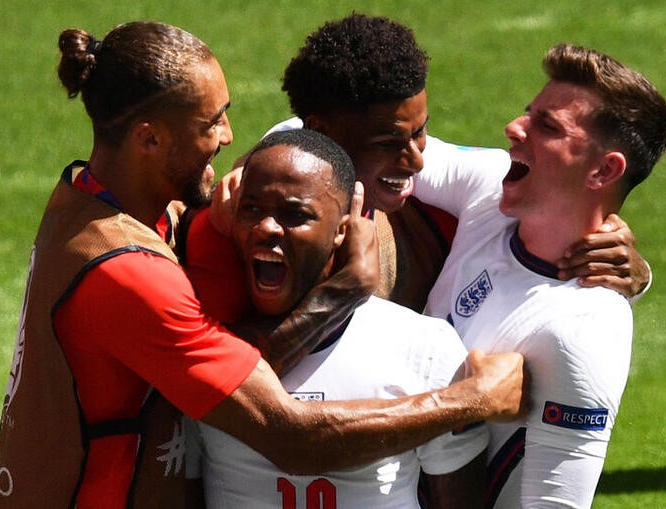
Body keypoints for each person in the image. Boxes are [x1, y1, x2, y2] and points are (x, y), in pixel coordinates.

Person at [0, 21, 526, 509]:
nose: (227, 138)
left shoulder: (89, 200)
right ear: (149, 138)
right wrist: (469, 398)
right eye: (212, 122)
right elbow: (288, 436)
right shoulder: (127, 272)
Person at [207, 13, 650, 317]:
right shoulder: (242, 225)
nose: (417, 159)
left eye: (420, 132)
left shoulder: (484, 185)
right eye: (390, 141)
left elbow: (566, 196)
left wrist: (634, 270)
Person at [419, 43, 666, 507]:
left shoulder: (581, 333)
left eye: (547, 126)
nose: (513, 128)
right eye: (528, 114)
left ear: (602, 169)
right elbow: (358, 135)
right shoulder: (489, 186)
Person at [185, 128, 486, 508]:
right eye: (252, 209)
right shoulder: (195, 336)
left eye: (295, 214)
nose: (266, 228)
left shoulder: (423, 347)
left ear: (343, 230)